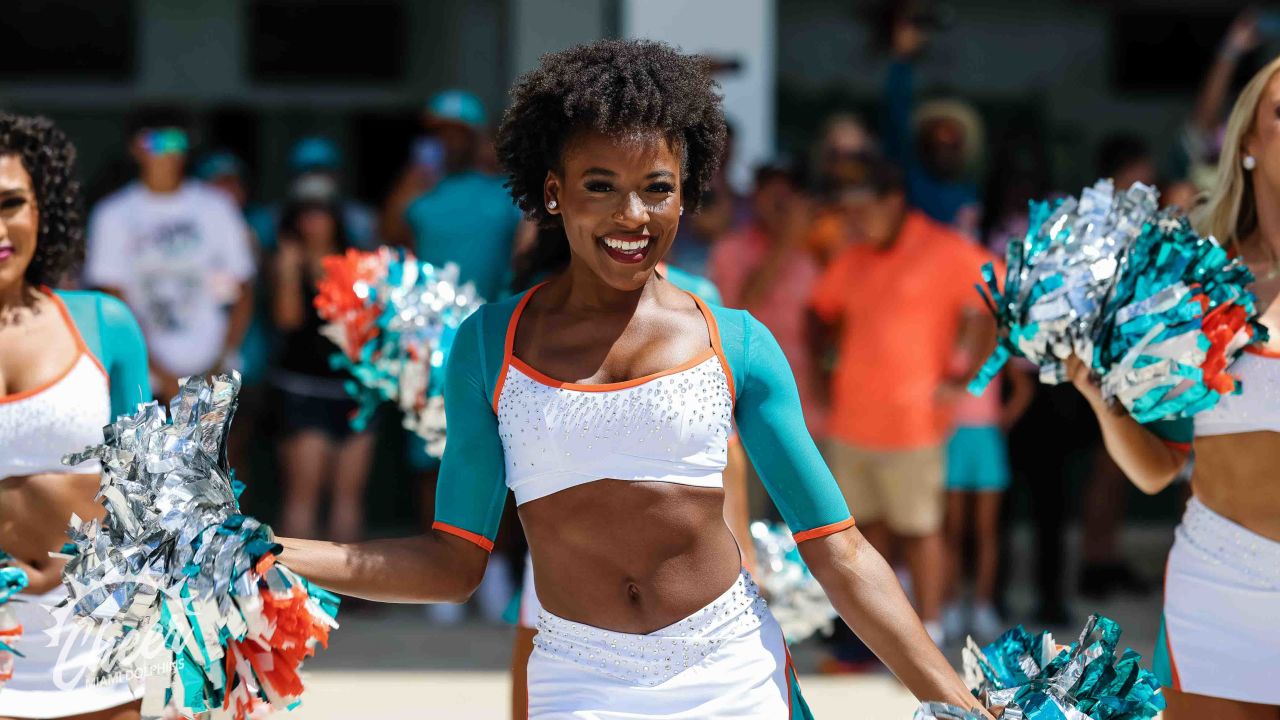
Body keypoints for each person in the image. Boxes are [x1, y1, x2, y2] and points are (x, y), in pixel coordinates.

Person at [276, 40, 986, 718]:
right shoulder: (489, 347)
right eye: (601, 186)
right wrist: (275, 554)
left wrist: (959, 705)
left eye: (657, 189)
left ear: (687, 193)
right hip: (578, 679)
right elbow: (453, 563)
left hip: (732, 674)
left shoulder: (735, 343)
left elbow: (838, 547)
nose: (632, 215)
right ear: (553, 193)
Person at [1067, 55, 1280, 718]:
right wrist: (1098, 397)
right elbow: (1158, 470)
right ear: (1247, 141)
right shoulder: (1192, 277)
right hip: (1219, 579)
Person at [809, 153, 995, 645]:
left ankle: (928, 632)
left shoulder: (944, 249)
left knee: (920, 532)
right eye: (846, 212)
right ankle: (874, 636)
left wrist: (968, 379)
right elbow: (819, 313)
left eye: (861, 209)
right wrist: (819, 379)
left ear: (893, 202)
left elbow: (997, 299)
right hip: (851, 423)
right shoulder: (853, 257)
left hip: (914, 423)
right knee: (859, 538)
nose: (852, 221)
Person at [0, 113, 151, 720]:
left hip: (98, 642)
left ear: (44, 209)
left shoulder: (105, 322)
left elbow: (155, 485)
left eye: (12, 203)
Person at [85, 107, 255, 401]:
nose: (166, 152)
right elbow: (112, 301)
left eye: (175, 141)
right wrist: (160, 373)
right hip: (145, 383)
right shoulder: (111, 214)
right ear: (135, 148)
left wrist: (219, 365)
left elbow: (242, 289)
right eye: (154, 141)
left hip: (215, 378)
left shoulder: (217, 207)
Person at [269, 196, 376, 543]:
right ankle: (296, 595)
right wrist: (289, 273)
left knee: (348, 498)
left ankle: (346, 596)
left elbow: (366, 329)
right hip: (303, 390)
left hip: (354, 389)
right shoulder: (286, 261)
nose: (313, 221)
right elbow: (287, 320)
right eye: (306, 212)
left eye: (321, 211)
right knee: (303, 496)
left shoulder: (358, 264)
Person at [710, 163, 826, 436]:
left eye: (787, 198)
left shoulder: (815, 250)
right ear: (755, 198)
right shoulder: (730, 249)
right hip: (750, 405)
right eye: (771, 196)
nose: (779, 205)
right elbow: (739, 310)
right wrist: (785, 242)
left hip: (808, 406)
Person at [383, 89, 526, 301]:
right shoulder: (417, 190)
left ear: (479, 138)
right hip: (427, 323)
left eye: (460, 134)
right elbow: (389, 239)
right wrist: (408, 182)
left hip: (489, 320)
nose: (450, 142)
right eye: (441, 133)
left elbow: (527, 253)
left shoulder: (506, 190)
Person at [883, 14, 984, 236]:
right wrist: (901, 60)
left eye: (952, 142)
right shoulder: (915, 186)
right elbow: (896, 122)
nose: (943, 149)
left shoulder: (975, 192)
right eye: (934, 141)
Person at [248, 137, 379, 253]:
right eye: (307, 171)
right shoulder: (270, 220)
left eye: (321, 170)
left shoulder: (359, 220)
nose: (314, 179)